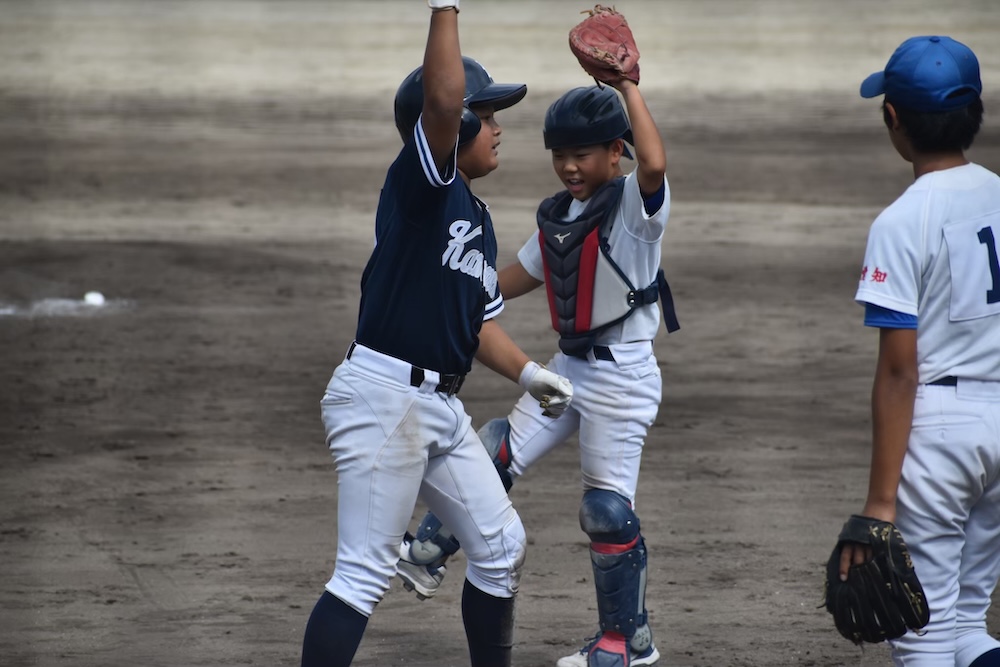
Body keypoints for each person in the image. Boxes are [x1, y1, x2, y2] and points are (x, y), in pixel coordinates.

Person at [298, 2, 575, 666]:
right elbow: (443, 99)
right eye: (489, 114)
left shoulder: (474, 216)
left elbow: (474, 324)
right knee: (363, 572)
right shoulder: (423, 186)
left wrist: (531, 375)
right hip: (384, 398)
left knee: (501, 547)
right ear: (456, 125)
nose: (499, 128)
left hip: (437, 408)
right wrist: (444, 7)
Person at [396, 75, 679, 667]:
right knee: (496, 448)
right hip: (570, 368)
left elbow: (654, 163)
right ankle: (427, 551)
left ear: (615, 151)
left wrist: (628, 87)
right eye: (559, 154)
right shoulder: (563, 215)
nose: (569, 167)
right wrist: (447, 294)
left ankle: (627, 643)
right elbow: (511, 280)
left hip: (623, 379)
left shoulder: (635, 208)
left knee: (606, 511)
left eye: (582, 154)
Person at [838, 35, 1000, 667]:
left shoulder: (902, 221)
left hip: (942, 434)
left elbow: (899, 373)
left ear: (893, 118)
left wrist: (880, 503)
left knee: (921, 636)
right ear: (974, 112)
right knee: (968, 622)